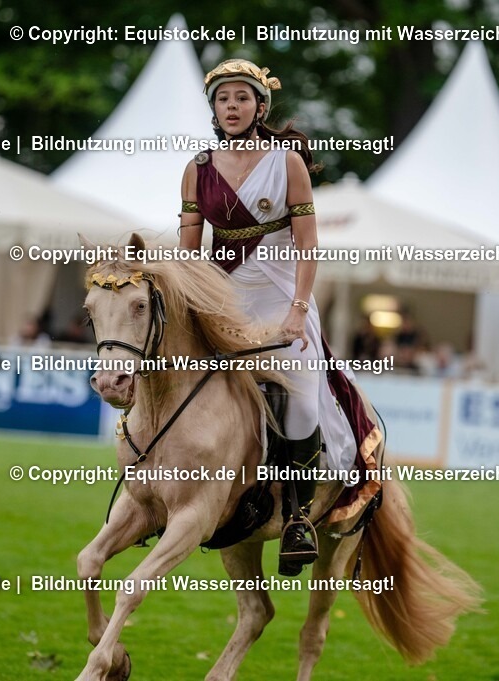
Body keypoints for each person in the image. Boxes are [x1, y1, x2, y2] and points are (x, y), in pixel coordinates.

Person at [178, 59, 379, 576]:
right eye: (223, 99)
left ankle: (295, 517)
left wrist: (297, 312)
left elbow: (310, 247)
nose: (232, 107)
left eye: (241, 98)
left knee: (302, 406)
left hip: (283, 304)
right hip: (225, 304)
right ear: (214, 108)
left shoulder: (286, 162)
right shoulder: (197, 168)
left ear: (259, 106)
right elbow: (187, 254)